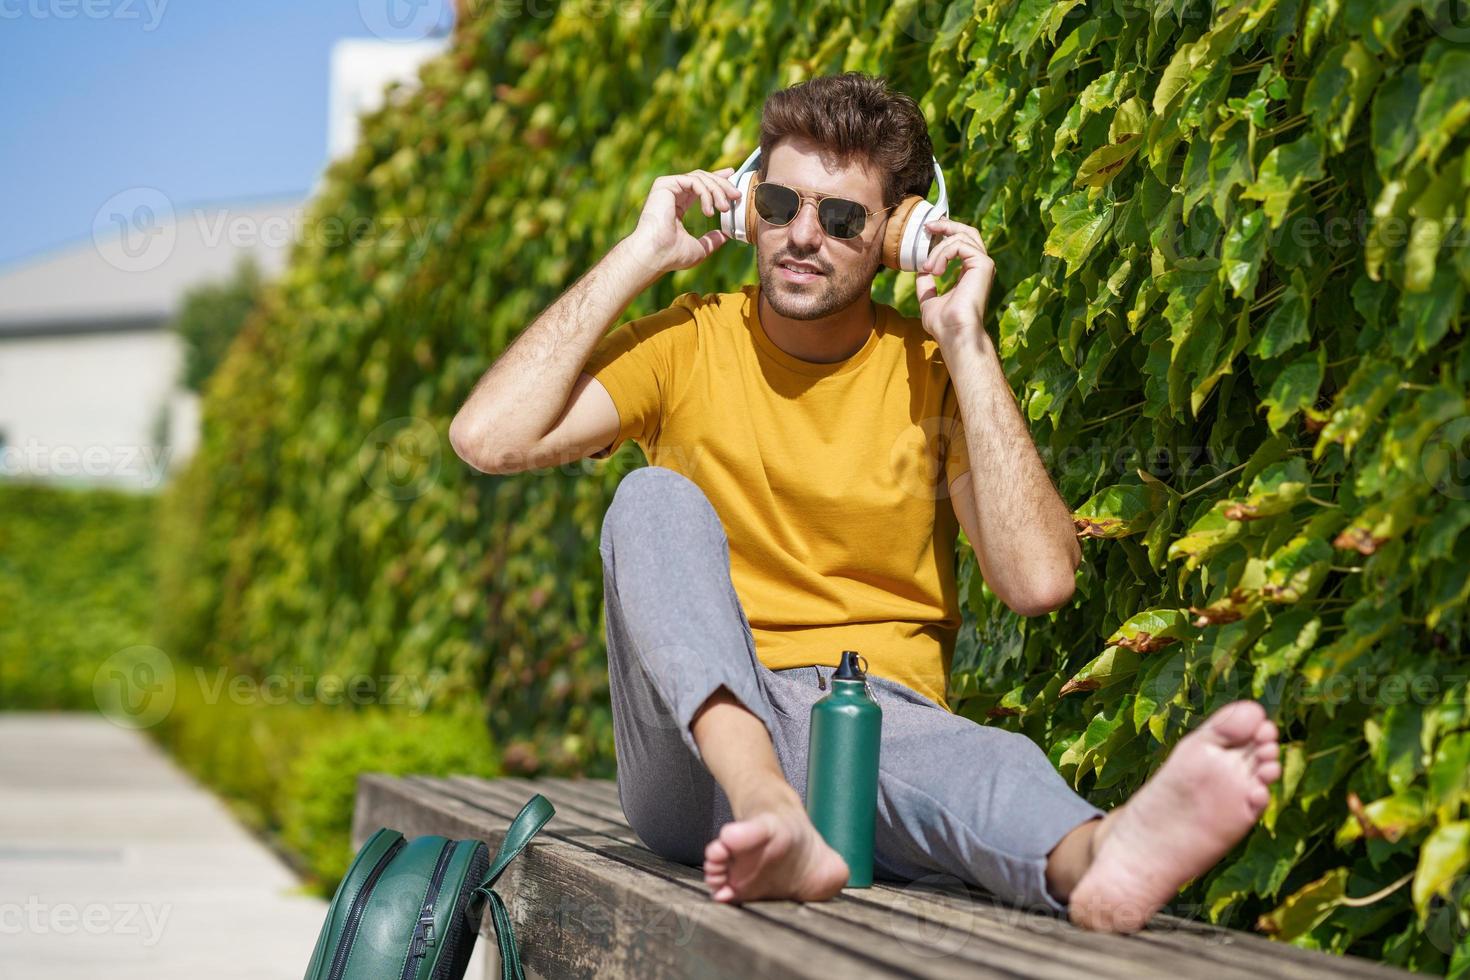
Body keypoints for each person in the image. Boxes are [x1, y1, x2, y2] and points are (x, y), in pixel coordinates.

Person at [449, 72, 1282, 933]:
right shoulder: (687, 343)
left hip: (872, 730)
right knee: (650, 500)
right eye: (777, 203)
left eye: (842, 218)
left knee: (971, 762)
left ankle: (1101, 861)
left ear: (902, 235)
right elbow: (487, 438)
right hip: (697, 762)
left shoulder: (933, 372)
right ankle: (767, 802)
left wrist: (965, 340)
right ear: (744, 207)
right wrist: (640, 253)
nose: (803, 236)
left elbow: (1038, 581)